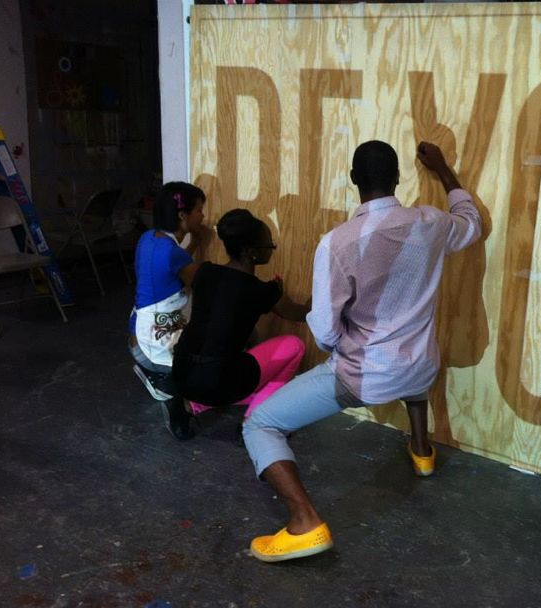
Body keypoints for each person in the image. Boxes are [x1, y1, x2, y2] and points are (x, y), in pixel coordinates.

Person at [241, 140, 482, 562]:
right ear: (398, 178)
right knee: (410, 367)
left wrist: (345, 349)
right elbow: (471, 222)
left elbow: (324, 329)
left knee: (260, 423)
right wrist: (443, 169)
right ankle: (422, 452)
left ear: (354, 179)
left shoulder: (337, 243)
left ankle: (304, 522)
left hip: (366, 377)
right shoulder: (432, 222)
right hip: (422, 366)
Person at [171, 209, 308, 421]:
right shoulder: (260, 290)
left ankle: (196, 404)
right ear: (250, 252)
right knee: (294, 346)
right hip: (217, 384)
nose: (272, 250)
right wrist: (314, 300)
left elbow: (227, 302)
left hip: (180, 375)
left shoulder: (204, 272)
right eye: (269, 246)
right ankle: (256, 419)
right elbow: (299, 314)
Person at [129, 181, 206, 440]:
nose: (203, 217)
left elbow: (173, 264)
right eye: (199, 210)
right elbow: (201, 281)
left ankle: (154, 370)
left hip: (137, 332)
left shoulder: (148, 239)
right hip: (155, 343)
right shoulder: (174, 254)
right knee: (203, 367)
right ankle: (162, 383)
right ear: (183, 215)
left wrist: (193, 242)